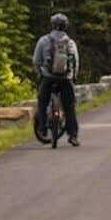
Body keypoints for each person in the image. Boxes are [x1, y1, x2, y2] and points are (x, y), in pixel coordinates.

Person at [33, 12, 80, 146]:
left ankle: (42, 129)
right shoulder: (70, 42)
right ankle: (73, 136)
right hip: (66, 79)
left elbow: (36, 61)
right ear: (66, 26)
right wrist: (74, 76)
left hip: (48, 77)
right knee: (69, 107)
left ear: (52, 25)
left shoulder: (43, 40)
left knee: (42, 102)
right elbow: (76, 62)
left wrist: (40, 74)